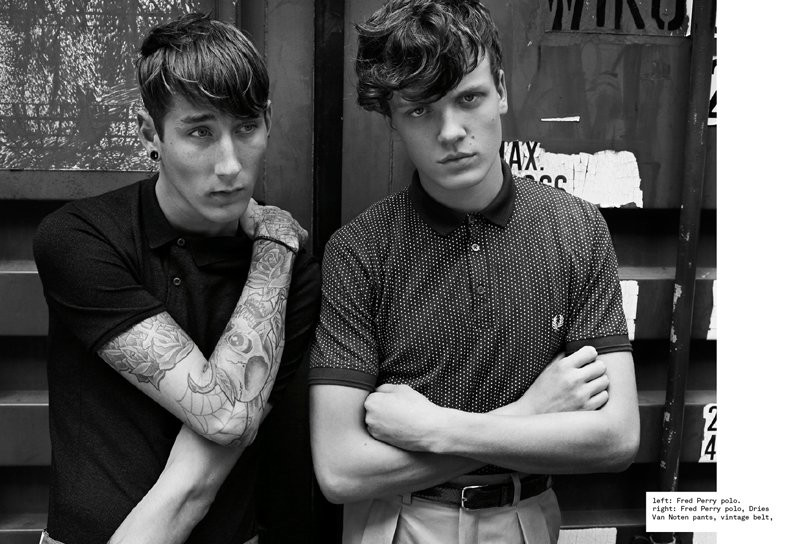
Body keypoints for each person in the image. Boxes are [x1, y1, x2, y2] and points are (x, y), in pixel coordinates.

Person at [308, 1, 639, 542]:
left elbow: (617, 438)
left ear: (501, 90)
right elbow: (341, 470)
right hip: (400, 522)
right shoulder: (360, 251)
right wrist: (529, 412)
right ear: (391, 118)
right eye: (420, 110)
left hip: (525, 517)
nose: (451, 131)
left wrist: (438, 430)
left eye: (469, 98)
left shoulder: (574, 227)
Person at [32, 13, 320, 544]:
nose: (230, 165)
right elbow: (224, 414)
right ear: (151, 133)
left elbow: (216, 447)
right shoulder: (82, 237)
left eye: (246, 128)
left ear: (268, 121)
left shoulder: (286, 266)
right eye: (200, 132)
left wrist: (273, 249)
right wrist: (277, 239)